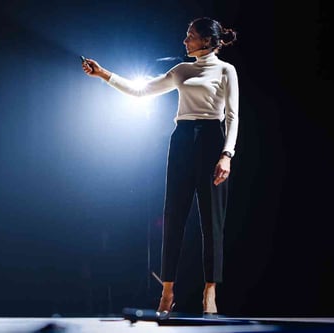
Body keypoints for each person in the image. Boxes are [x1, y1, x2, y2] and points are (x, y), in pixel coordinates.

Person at [82, 17, 239, 319]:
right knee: (173, 216)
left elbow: (233, 116)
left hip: (211, 140)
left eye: (190, 37)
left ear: (207, 41)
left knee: (212, 221)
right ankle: (167, 290)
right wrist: (104, 74)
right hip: (181, 139)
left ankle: (210, 290)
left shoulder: (225, 70)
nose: (184, 41)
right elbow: (142, 91)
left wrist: (226, 154)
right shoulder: (181, 70)